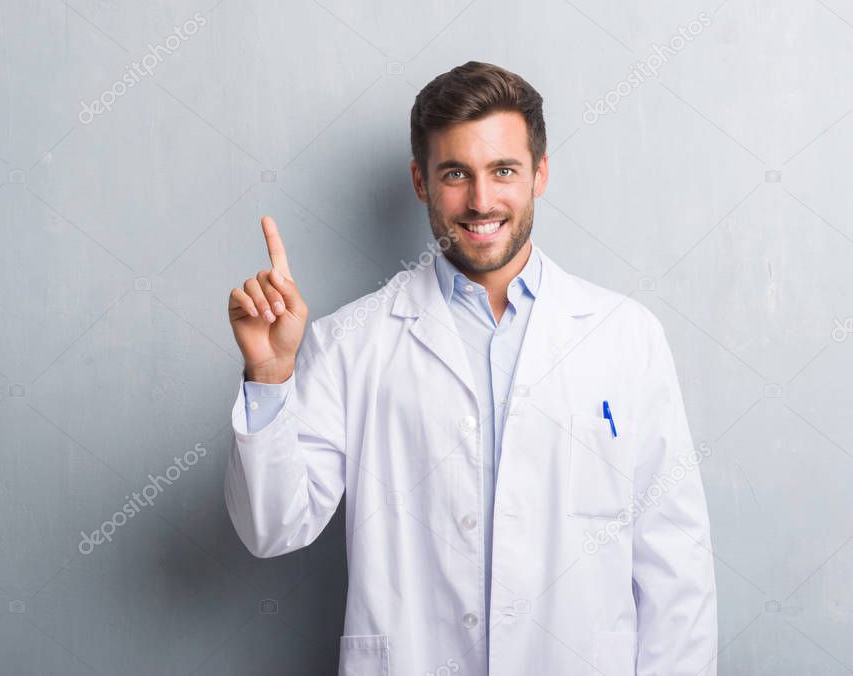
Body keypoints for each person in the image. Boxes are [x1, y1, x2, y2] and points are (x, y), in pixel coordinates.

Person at [225, 60, 717, 676]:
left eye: (503, 170)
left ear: (539, 173)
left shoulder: (624, 337)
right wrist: (271, 374)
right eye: (456, 173)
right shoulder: (353, 341)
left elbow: (676, 564)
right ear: (421, 181)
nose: (482, 201)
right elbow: (272, 528)